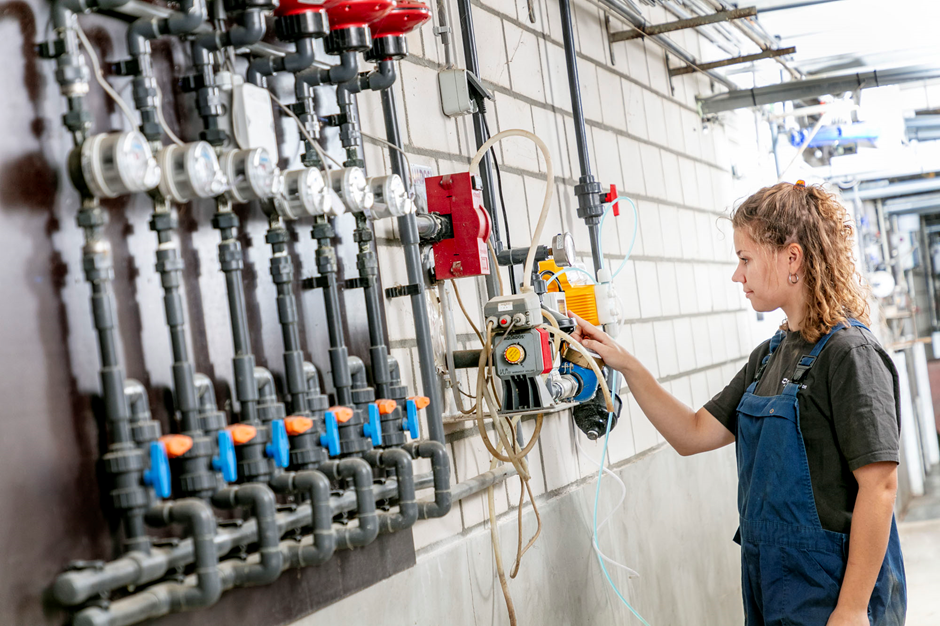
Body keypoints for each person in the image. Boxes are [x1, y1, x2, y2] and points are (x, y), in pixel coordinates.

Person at [571, 181, 906, 626]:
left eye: (745, 259)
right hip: (771, 579)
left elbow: (880, 486)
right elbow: (693, 434)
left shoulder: (849, 354)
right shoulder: (771, 353)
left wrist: (852, 608)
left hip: (832, 589)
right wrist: (624, 362)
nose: (738, 275)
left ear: (792, 259)